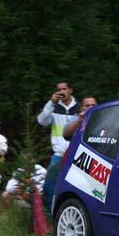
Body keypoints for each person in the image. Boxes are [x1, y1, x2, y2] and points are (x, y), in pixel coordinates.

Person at [37, 80, 79, 215]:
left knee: (75, 187)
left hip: (76, 155)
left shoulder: (79, 108)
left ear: (70, 90)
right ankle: (51, 218)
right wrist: (51, 103)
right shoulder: (54, 107)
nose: (61, 92)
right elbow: (42, 121)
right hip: (59, 155)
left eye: (64, 89)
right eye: (59, 89)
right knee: (49, 186)